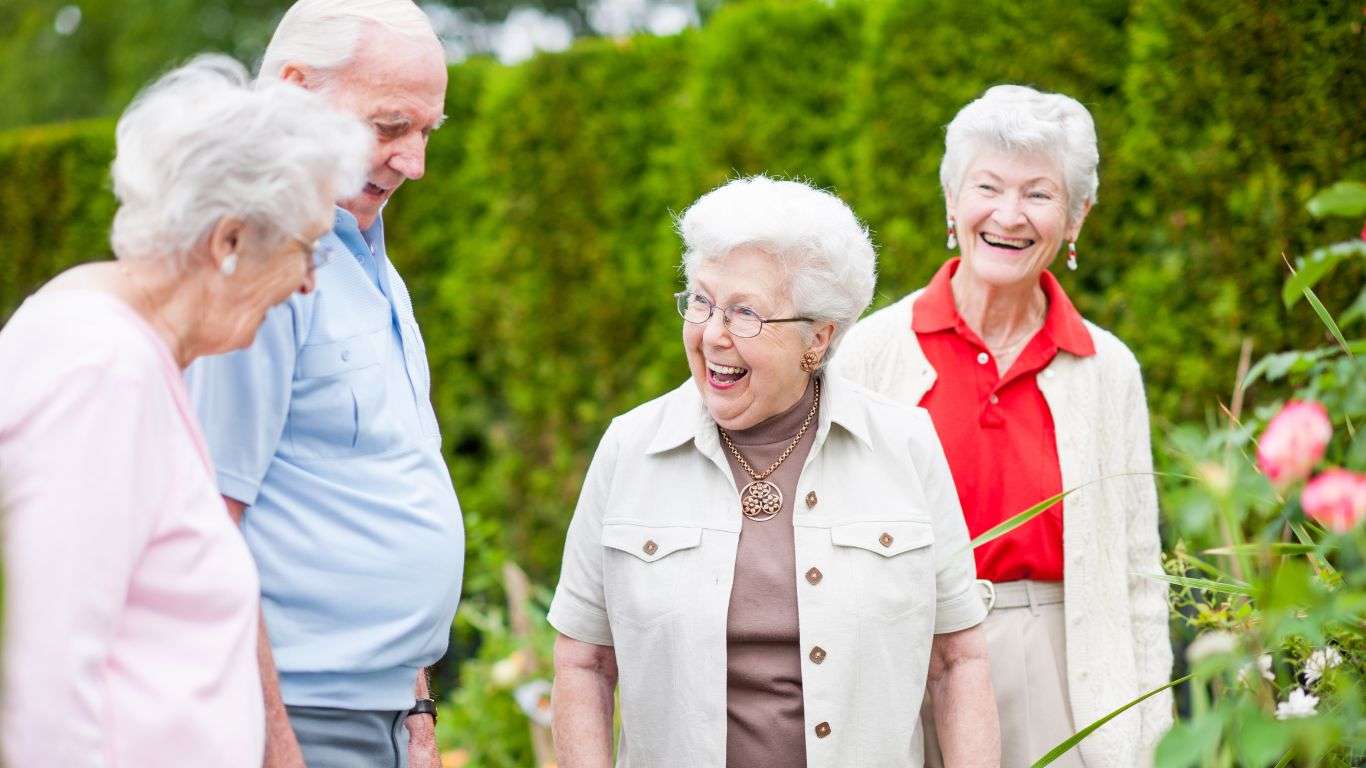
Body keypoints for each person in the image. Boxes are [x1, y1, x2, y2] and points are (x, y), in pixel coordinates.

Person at [548, 176, 1000, 768]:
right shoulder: (630, 448)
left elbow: (956, 662)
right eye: (702, 302)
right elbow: (585, 660)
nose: (713, 334)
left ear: (818, 338)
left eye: (745, 314)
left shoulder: (904, 445)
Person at [0, 55, 369, 767]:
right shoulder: (98, 371)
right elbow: (39, 676)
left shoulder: (132, 357)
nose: (307, 285)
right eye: (307, 251)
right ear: (228, 241)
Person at [834, 85, 1174, 767]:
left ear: (1075, 218)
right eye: (987, 186)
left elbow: (1139, 573)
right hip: (911, 669)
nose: (1009, 215)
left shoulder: (1107, 369)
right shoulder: (871, 352)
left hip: (1064, 674)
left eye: (1040, 194)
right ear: (952, 202)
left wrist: (1150, 730)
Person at [183, 2, 462, 766]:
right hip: (299, 716)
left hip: (382, 712)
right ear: (295, 92)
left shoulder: (366, 248)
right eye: (390, 126)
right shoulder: (259, 261)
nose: (416, 163)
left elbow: (385, 480)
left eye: (427, 132)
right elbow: (209, 526)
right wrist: (276, 741)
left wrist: (418, 708)